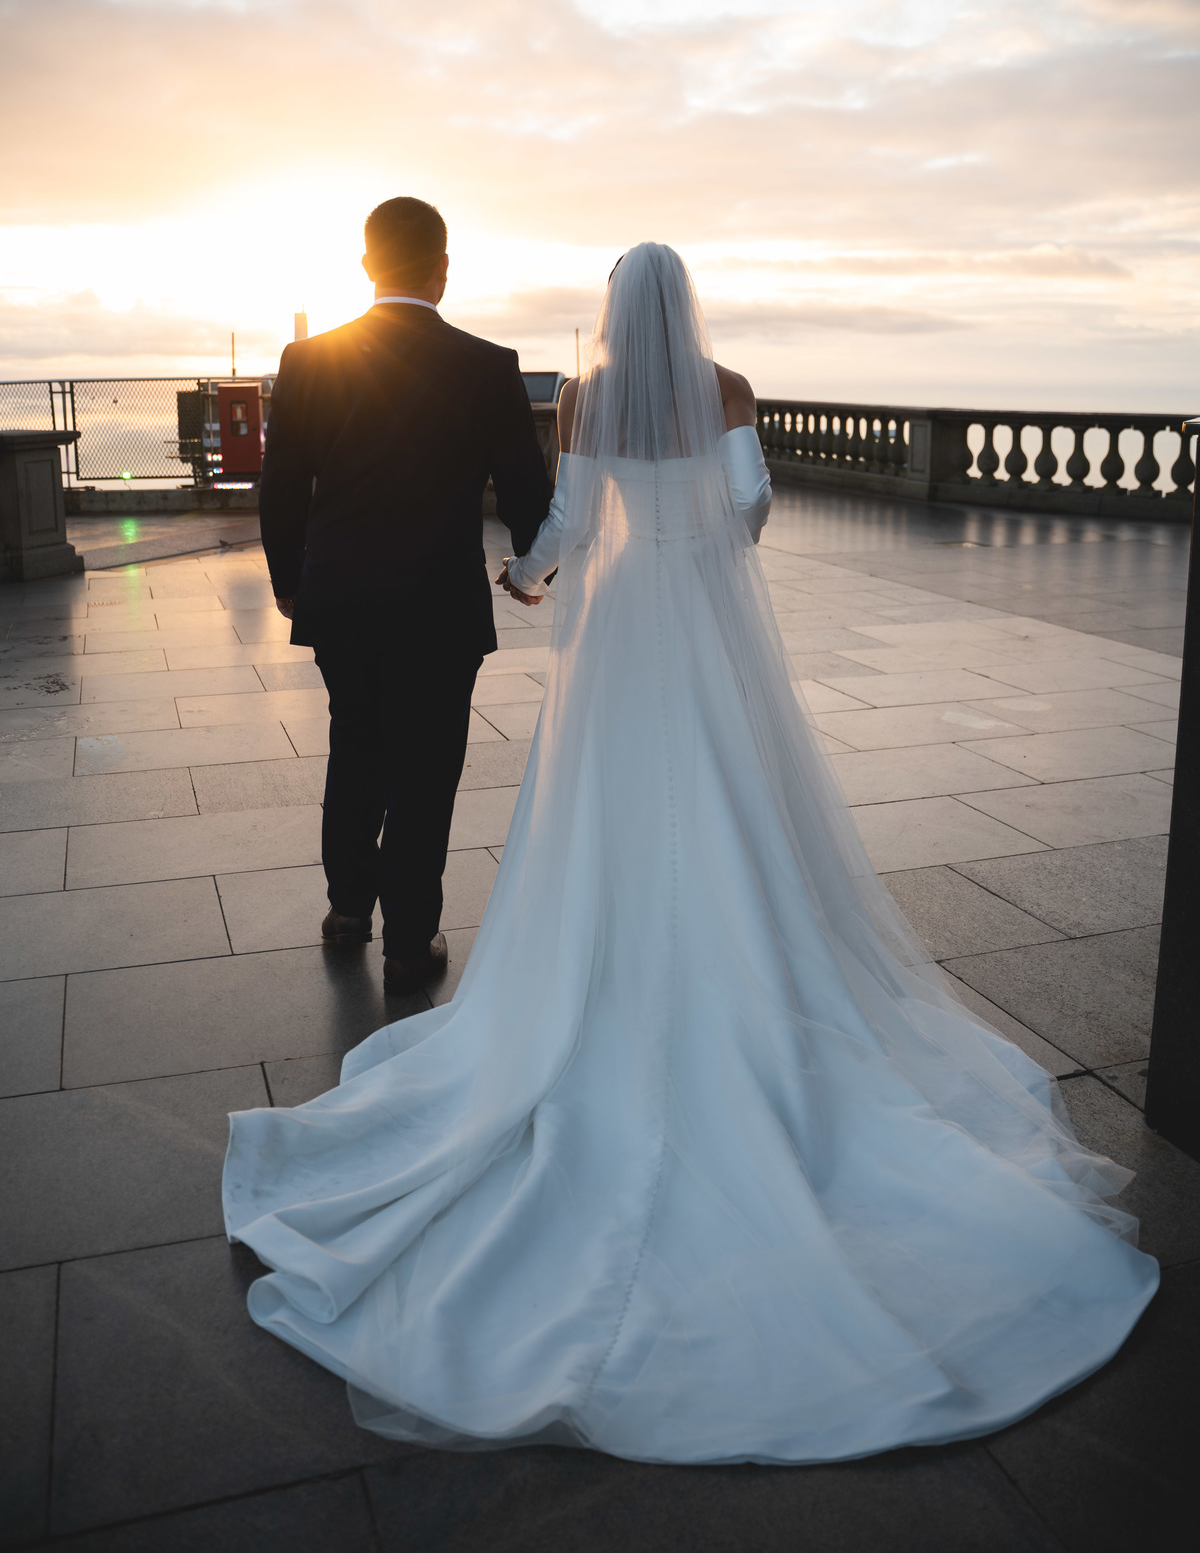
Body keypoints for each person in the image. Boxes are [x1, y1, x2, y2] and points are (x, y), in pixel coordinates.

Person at [226, 243, 1157, 1464]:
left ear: (617, 310)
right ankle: (734, 978)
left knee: (604, 812)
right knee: (728, 809)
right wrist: (693, 543)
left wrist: (529, 574)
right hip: (696, 628)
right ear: (688, 308)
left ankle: (591, 971)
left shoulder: (585, 397)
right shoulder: (730, 390)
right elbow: (751, 511)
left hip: (615, 634)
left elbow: (564, 515)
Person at [257, 196, 551, 995]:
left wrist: (292, 584)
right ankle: (409, 944)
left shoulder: (309, 359)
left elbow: (280, 488)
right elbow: (527, 489)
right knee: (427, 768)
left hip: (341, 595)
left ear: (366, 265)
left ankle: (348, 909)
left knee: (354, 741)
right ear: (443, 268)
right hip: (438, 606)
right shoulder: (488, 366)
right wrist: (534, 568)